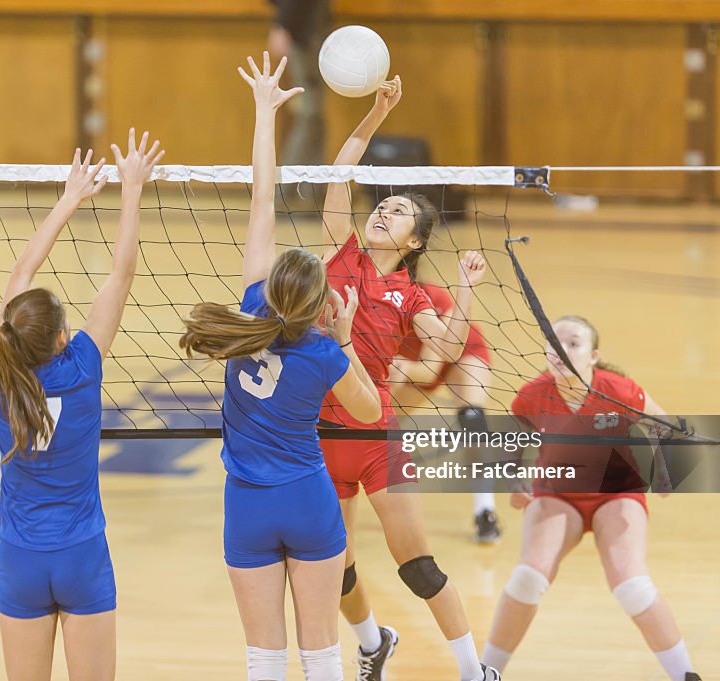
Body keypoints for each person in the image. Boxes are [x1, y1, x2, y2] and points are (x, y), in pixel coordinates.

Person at [181, 52, 381, 681]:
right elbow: (371, 412)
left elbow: (262, 196)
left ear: (271, 291)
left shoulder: (244, 317)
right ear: (321, 307)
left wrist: (265, 110)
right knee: (321, 652)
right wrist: (346, 342)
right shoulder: (324, 352)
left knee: (263, 659)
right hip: (308, 499)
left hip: (247, 504)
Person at [316, 78, 499, 681]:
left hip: (374, 436)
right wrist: (375, 113)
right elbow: (340, 175)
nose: (382, 210)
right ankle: (373, 642)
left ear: (414, 240)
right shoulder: (340, 255)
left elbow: (446, 345)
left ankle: (475, 671)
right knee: (333, 568)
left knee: (416, 566)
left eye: (398, 211)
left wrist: (466, 291)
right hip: (319, 434)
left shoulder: (412, 291)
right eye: (383, 204)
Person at [0, 136, 163, 681]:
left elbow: (19, 274)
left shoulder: (3, 367)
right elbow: (121, 275)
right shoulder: (83, 366)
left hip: (21, 557)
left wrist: (67, 199)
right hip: (81, 554)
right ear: (64, 337)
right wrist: (130, 190)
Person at [481, 315, 702, 681]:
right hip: (557, 495)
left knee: (632, 586)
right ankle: (485, 674)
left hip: (616, 494)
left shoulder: (619, 390)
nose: (562, 350)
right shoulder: (532, 395)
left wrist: (666, 470)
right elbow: (512, 446)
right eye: (555, 343)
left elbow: (665, 426)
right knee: (526, 579)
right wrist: (513, 479)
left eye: (574, 343)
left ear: (594, 355)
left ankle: (685, 675)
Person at [390, 282, 502, 543]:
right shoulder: (367, 299)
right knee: (375, 424)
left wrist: (398, 368)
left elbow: (429, 369)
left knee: (473, 420)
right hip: (411, 363)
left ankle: (485, 510)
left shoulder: (431, 295)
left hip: (459, 354)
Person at [267, 0, 330, 166]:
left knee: (311, 114)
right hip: (306, 34)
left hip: (307, 34)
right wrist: (282, 25)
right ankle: (290, 184)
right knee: (310, 114)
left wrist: (282, 24)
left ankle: (298, 184)